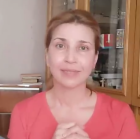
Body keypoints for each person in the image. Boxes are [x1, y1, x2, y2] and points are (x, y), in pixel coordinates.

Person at [8, 9, 140, 139]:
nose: (70, 58)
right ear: (47, 55)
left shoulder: (120, 114)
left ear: (94, 59)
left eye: (83, 48)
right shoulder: (23, 113)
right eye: (60, 46)